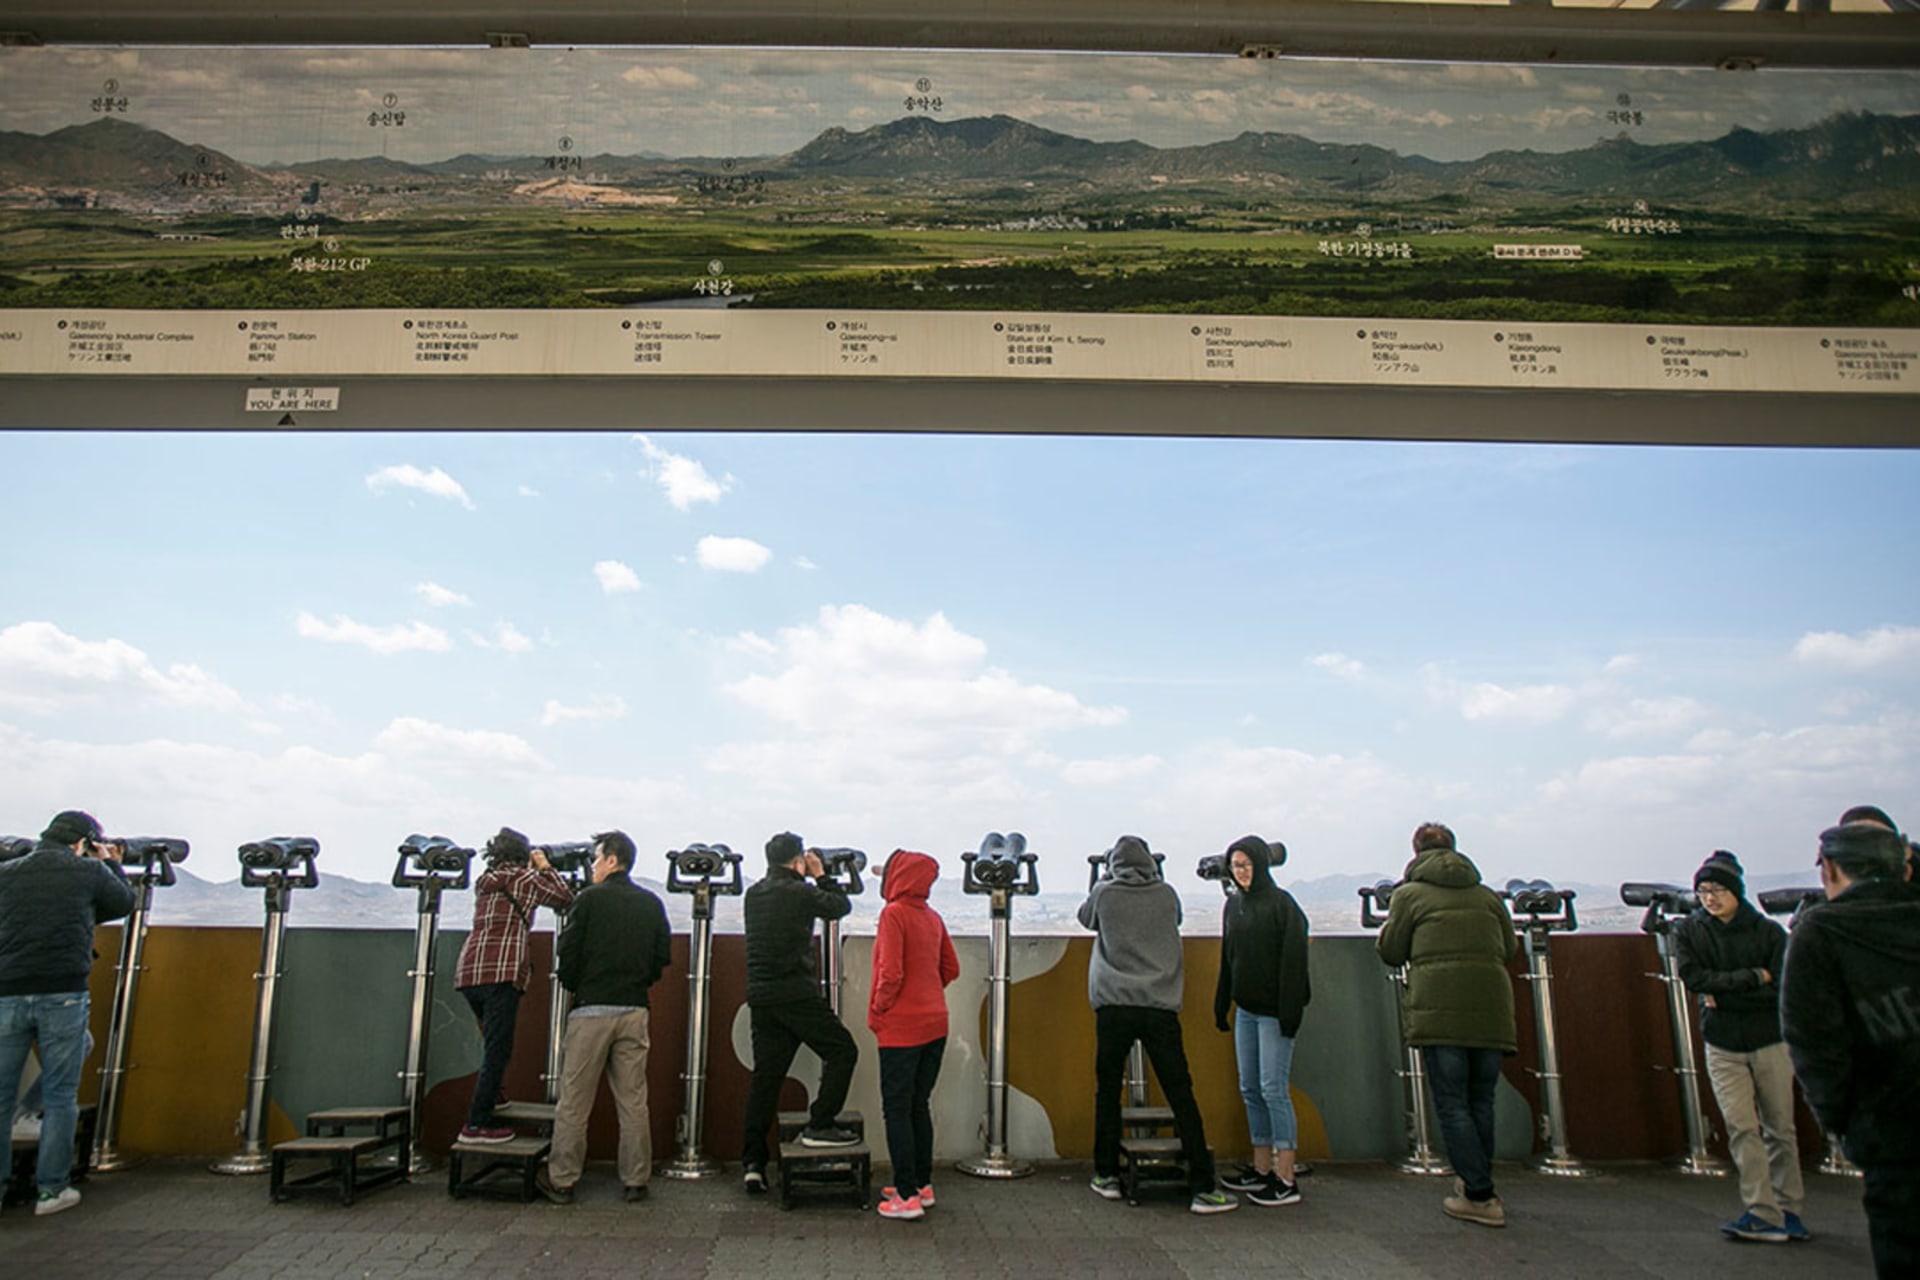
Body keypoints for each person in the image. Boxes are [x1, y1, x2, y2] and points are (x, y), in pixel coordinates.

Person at [1782, 821, 1920, 1279]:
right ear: (1904, 870)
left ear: (1830, 871)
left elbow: (1815, 1046)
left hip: (1894, 1135)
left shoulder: (1821, 932)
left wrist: (1848, 1129)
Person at [1079, 834, 1238, 1215]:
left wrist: (1100, 876)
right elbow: (1175, 920)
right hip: (1159, 1006)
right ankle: (1202, 1184)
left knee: (1107, 1091)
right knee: (1180, 1091)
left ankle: (1106, 1175)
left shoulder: (1105, 893)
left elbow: (1087, 920)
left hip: (1114, 1005)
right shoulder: (1167, 895)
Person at [1376, 821, 1518, 1229]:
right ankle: (1480, 1185)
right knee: (1481, 1102)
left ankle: (1479, 1194)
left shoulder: (1410, 895)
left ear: (1416, 852)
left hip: (1440, 1011)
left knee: (1452, 1104)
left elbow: (1391, 949)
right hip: (1491, 1010)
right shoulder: (1487, 897)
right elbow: (1508, 948)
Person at [0, 810, 135, 1217]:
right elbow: (123, 902)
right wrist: (110, 862)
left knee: (0, 1099)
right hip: (63, 991)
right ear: (84, 843)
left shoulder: (8, 872)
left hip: (8, 991)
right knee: (62, 1097)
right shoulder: (86, 873)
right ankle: (51, 1190)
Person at [1671, 850, 1806, 1243]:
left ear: (1737, 892)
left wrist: (1726, 990)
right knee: (1741, 1126)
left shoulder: (1768, 934)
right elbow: (1694, 977)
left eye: (1717, 889)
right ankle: (1761, 1209)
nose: (1709, 898)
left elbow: (1782, 988)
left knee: (1780, 1126)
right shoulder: (1690, 932)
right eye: (1703, 890)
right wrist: (1753, 978)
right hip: (1723, 1041)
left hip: (1769, 1038)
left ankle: (1790, 1208)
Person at [535, 830, 671, 1205]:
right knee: (632, 1100)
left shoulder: (588, 901)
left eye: (597, 858)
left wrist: (577, 984)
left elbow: (569, 951)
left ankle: (562, 1178)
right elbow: (662, 954)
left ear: (612, 860)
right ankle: (635, 1179)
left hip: (592, 1008)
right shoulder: (650, 903)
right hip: (634, 1008)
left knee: (575, 1099)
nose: (593, 866)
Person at [739, 831, 861, 1196]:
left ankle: (753, 1164)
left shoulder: (754, 893)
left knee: (766, 1080)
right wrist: (821, 873)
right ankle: (820, 1124)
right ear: (796, 862)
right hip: (795, 994)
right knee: (843, 1051)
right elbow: (840, 906)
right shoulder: (801, 892)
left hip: (762, 997)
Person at [454, 827, 575, 1144]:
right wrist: (545, 866)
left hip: (469, 971)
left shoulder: (485, 882)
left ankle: (492, 1097)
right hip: (502, 971)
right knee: (498, 1049)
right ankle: (476, 1125)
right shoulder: (525, 880)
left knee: (492, 1041)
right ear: (523, 855)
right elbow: (565, 898)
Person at [1213, 835, 1311, 1207]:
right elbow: (1229, 958)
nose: (1241, 873)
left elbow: (1294, 963)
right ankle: (1261, 1167)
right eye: (1236, 867)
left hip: (1274, 1013)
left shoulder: (1282, 905)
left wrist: (1290, 1013)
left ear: (1261, 866)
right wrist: (1222, 1004)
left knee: (1273, 1090)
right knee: (1250, 1088)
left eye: (1247, 866)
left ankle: (1286, 1174)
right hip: (1246, 1010)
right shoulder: (1234, 906)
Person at [867, 849, 960, 1222]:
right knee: (918, 1105)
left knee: (896, 1109)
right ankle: (922, 1184)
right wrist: (927, 992)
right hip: (936, 1023)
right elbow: (950, 967)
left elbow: (891, 972)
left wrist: (879, 1009)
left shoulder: (893, 915)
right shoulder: (932, 917)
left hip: (901, 1028)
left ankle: (905, 1196)